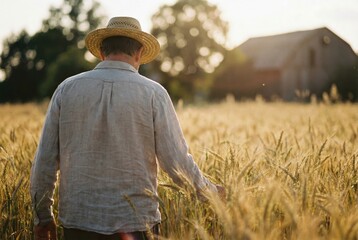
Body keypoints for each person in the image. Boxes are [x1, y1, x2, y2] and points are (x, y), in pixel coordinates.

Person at [30, 16, 225, 240]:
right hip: (136, 224)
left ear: (102, 51)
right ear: (139, 52)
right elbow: (177, 162)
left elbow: (44, 161)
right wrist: (210, 192)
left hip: (79, 224)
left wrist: (43, 217)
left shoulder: (66, 89)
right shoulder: (154, 93)